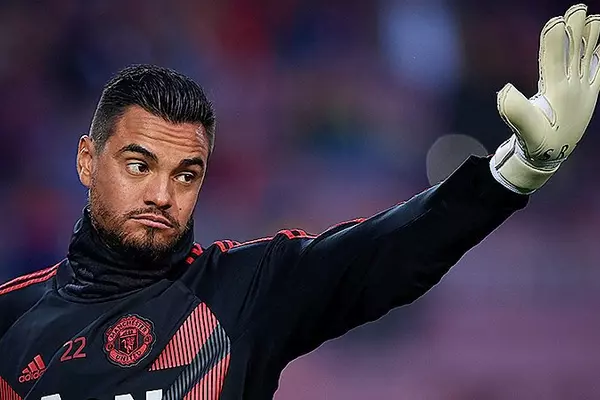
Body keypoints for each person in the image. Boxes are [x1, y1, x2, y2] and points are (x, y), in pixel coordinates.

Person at [0, 4, 598, 400]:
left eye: (186, 174)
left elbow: (391, 247)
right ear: (87, 160)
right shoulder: (11, 320)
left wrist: (517, 171)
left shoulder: (243, 291)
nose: (162, 194)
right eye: (139, 166)